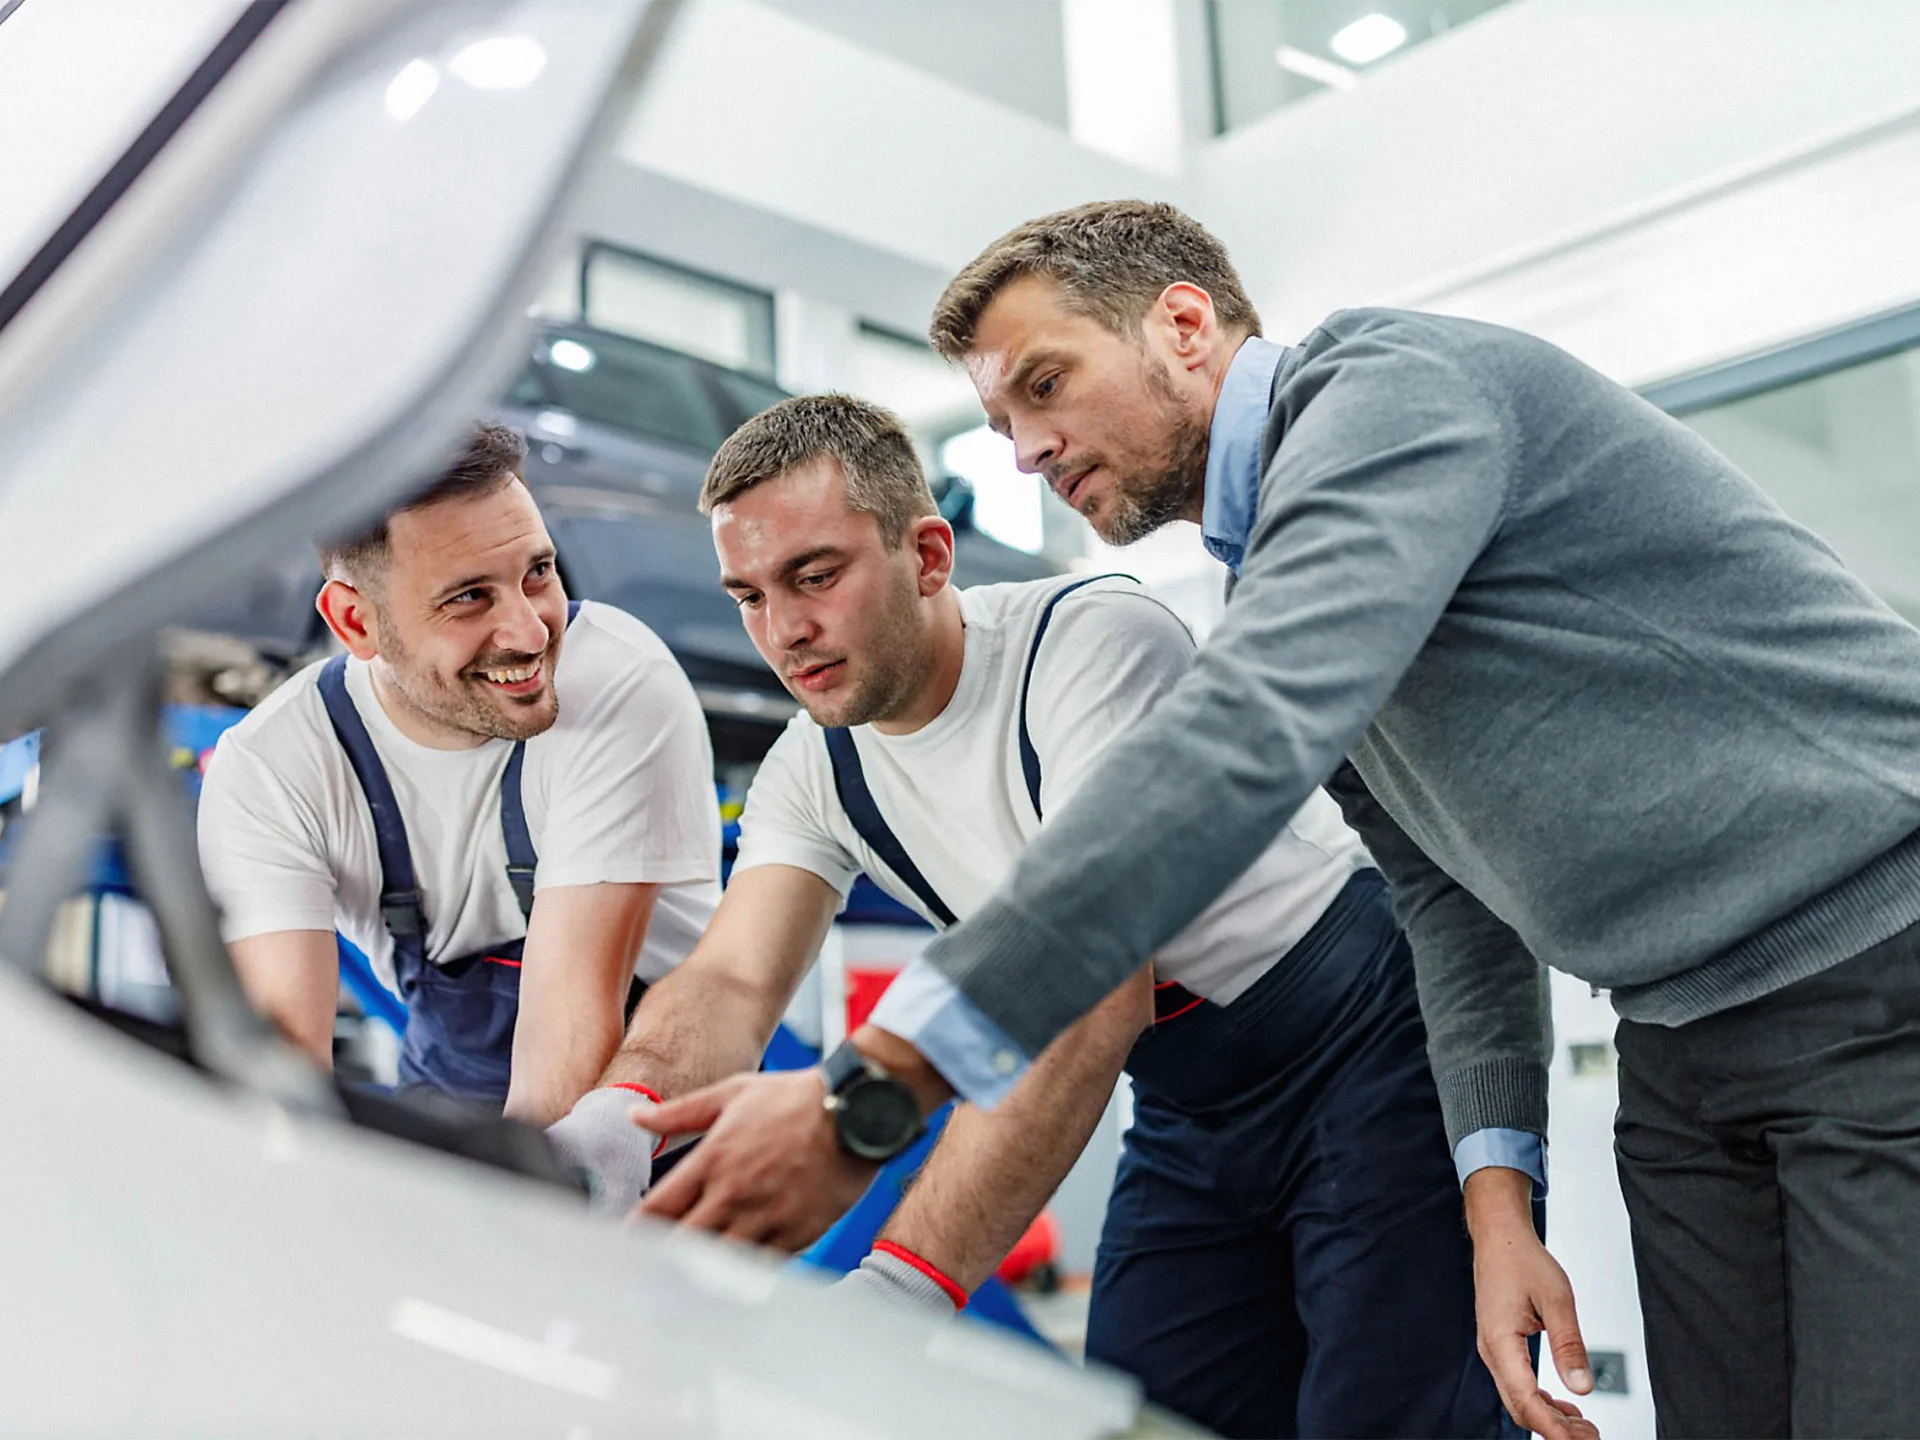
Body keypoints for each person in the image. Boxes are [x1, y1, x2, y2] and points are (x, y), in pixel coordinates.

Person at [636, 201, 1920, 1440]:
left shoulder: (1391, 391)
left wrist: (880, 1084)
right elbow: (1448, 892)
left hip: (1875, 963)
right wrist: (1497, 1198)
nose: (1023, 450)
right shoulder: (1271, 566)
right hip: (1678, 1039)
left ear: (1185, 327)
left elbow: (1246, 738)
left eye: (1045, 384)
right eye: (1000, 418)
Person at [557, 392, 1501, 1438]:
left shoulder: (1092, 641)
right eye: (749, 594)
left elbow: (1099, 984)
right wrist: (616, 1120)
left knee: (1394, 1420)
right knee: (1149, 1413)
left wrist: (899, 1290)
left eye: (815, 576)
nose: (785, 630)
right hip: (1189, 1105)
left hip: (1366, 1043)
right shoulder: (814, 765)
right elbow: (732, 979)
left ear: (927, 553)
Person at [197, 423, 721, 1144]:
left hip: (660, 1112)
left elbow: (569, 1026)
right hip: (457, 1094)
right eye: (469, 598)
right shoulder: (272, 766)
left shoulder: (619, 682)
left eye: (538, 572)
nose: (532, 632)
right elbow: (284, 1075)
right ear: (356, 621)